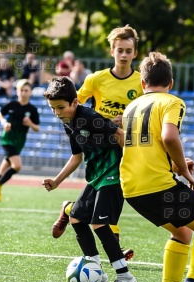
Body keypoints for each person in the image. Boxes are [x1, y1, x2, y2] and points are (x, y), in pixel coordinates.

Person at [120, 52, 194, 282]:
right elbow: (169, 137)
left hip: (131, 187)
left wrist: (177, 166)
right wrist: (187, 176)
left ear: (142, 83)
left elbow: (146, 148)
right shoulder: (172, 102)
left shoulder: (131, 107)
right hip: (157, 185)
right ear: (171, 82)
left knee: (182, 233)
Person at [51, 24, 143, 262]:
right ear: (112, 51)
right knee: (110, 196)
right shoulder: (96, 79)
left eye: (128, 50)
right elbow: (74, 106)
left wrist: (129, 119)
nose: (123, 55)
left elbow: (147, 115)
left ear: (135, 53)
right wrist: (99, 123)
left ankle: (71, 209)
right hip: (101, 150)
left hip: (127, 145)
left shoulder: (141, 83)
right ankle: (116, 252)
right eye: (119, 49)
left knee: (117, 197)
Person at [41, 76, 137, 282]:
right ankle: (96, 270)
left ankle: (125, 277)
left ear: (75, 103)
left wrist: (128, 166)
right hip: (96, 176)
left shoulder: (88, 117)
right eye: (53, 108)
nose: (57, 112)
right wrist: (57, 181)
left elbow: (120, 134)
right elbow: (77, 156)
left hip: (113, 173)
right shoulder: (69, 122)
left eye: (60, 107)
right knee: (76, 217)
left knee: (99, 224)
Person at [0, 79, 40, 210]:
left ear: (30, 92)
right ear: (17, 91)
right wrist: (4, 123)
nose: (23, 93)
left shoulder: (32, 110)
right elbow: (0, 114)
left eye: (26, 90)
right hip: (8, 139)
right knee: (17, 166)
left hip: (19, 142)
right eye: (21, 90)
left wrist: (30, 123)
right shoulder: (12, 104)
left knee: (2, 172)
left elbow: (37, 128)